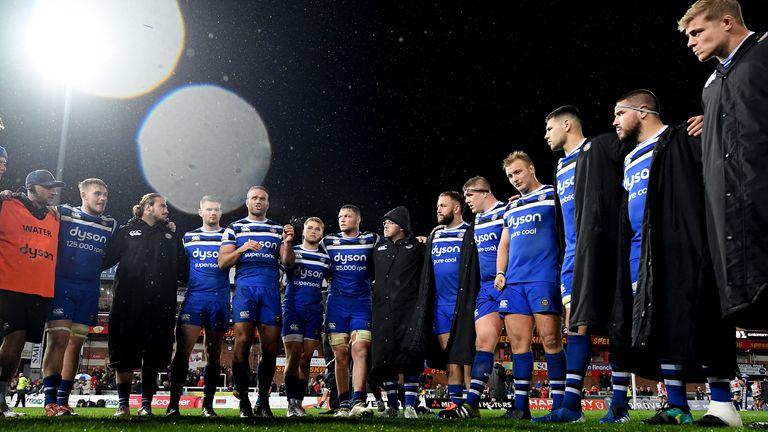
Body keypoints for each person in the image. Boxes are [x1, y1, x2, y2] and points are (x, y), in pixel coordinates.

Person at [614, 89, 738, 426]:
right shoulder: (628, 159)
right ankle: (677, 405)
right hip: (642, 256)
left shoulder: (682, 136)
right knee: (659, 328)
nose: (614, 122)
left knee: (703, 318)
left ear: (642, 111)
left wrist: (711, 124)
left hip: (685, 247)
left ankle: (724, 405)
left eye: (619, 113)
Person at [679, 0, 768, 329]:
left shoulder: (764, 51)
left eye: (697, 32)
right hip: (734, 227)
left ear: (727, 22)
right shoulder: (712, 84)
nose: (691, 42)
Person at [102, 193, 187, 417]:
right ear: (148, 207)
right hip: (127, 303)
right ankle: (123, 405)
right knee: (124, 355)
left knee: (153, 356)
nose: (166, 209)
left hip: (160, 306)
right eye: (162, 205)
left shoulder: (171, 236)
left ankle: (146, 405)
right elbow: (103, 260)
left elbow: (184, 272)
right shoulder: (126, 232)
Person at [494, 151, 563, 421]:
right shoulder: (510, 207)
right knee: (518, 344)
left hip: (543, 277)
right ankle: (521, 406)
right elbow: (504, 244)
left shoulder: (552, 195)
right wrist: (501, 272)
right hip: (514, 282)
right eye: (510, 176)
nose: (514, 179)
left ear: (532, 168)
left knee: (550, 340)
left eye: (518, 172)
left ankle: (561, 404)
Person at [41, 178, 117, 416]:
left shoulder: (110, 224)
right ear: (83, 194)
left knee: (76, 345)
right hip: (62, 285)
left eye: (105, 194)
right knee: (59, 340)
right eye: (97, 193)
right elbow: (35, 210)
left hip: (89, 289)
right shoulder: (63, 213)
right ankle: (49, 400)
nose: (102, 198)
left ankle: (63, 401)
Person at [218, 186, 294, 418]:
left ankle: (263, 400)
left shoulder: (277, 228)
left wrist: (289, 242)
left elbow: (288, 263)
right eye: (254, 198)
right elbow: (223, 263)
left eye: (263, 198)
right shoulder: (235, 228)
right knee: (243, 343)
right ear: (247, 202)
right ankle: (243, 402)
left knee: (271, 348)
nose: (258, 201)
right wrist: (242, 248)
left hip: (270, 292)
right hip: (245, 291)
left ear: (268, 203)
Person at [439, 176, 508, 419]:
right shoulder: (477, 221)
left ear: (484, 192)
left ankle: (528, 404)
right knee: (482, 344)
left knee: (524, 344)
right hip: (486, 289)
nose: (466, 201)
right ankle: (471, 405)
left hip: (511, 284)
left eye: (469, 195)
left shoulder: (507, 211)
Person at [0, 170, 63, 417]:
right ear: (31, 187)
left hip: (39, 290)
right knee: (12, 341)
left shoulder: (54, 216)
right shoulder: (7, 204)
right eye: (47, 187)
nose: (53, 191)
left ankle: (2, 401)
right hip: (9, 287)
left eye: (54, 187)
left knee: (18, 345)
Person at [166, 196, 231, 417]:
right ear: (200, 211)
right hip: (194, 299)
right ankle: (173, 405)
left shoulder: (228, 236)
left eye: (216, 209)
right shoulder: (189, 237)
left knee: (213, 353)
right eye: (209, 209)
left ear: (221, 213)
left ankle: (208, 405)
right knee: (182, 351)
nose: (213, 213)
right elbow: (179, 267)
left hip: (219, 300)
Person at [321, 205, 379, 417]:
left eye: (347, 216)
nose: (342, 219)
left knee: (361, 350)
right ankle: (343, 403)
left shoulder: (371, 239)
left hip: (362, 305)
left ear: (358, 219)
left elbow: (391, 249)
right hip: (336, 306)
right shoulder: (328, 242)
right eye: (340, 216)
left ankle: (358, 401)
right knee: (341, 355)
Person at [419, 191, 476, 409]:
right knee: (451, 357)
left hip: (463, 305)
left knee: (467, 357)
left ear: (457, 208)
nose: (438, 210)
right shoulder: (435, 236)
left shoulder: (469, 232)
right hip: (440, 306)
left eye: (443, 205)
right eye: (437, 206)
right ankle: (455, 404)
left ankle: (472, 405)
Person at [370, 206, 427, 419]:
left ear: (402, 226)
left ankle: (410, 406)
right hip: (382, 313)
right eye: (384, 222)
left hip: (410, 313)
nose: (385, 225)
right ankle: (392, 406)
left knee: (411, 359)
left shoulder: (418, 248)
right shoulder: (378, 249)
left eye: (390, 222)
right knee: (387, 361)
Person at [280, 217, 330, 417]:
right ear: (303, 231)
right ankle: (291, 403)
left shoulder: (326, 258)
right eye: (310, 228)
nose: (313, 231)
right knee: (293, 357)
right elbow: (286, 262)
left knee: (305, 358)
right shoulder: (294, 250)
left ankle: (298, 402)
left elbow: (333, 278)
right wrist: (288, 242)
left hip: (314, 312)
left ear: (322, 234)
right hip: (293, 309)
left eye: (318, 229)